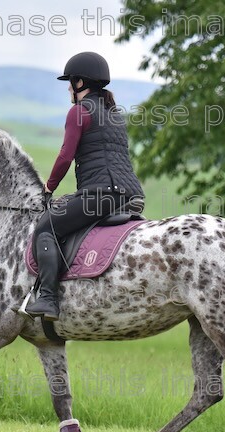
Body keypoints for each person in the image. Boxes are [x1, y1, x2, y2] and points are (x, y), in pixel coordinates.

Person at [25, 52, 145, 321]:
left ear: (80, 83)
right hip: (131, 195)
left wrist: (49, 187)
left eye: (71, 82)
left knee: (47, 228)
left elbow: (66, 155)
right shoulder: (114, 115)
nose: (68, 87)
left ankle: (48, 299)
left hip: (102, 196)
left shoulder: (79, 112)